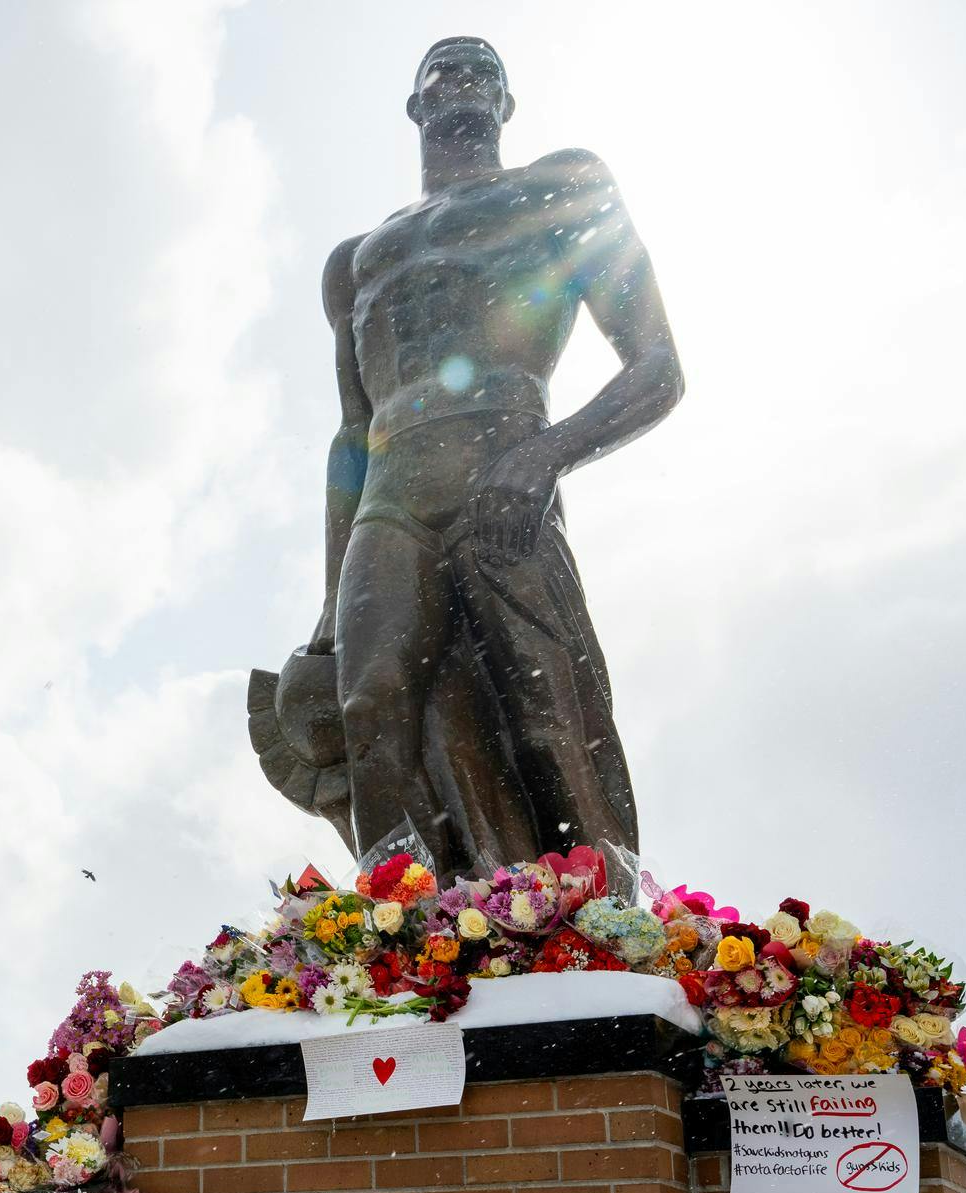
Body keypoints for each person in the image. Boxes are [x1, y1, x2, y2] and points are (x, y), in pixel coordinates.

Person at [252, 36, 683, 879]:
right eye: (445, 71)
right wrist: (332, 601)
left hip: (503, 461)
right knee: (369, 707)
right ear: (416, 104)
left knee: (544, 711)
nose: (466, 82)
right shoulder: (355, 260)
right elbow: (351, 432)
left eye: (485, 72)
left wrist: (547, 454)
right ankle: (404, 935)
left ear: (506, 105)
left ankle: (602, 923)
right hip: (391, 489)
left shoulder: (558, 186)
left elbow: (658, 369)